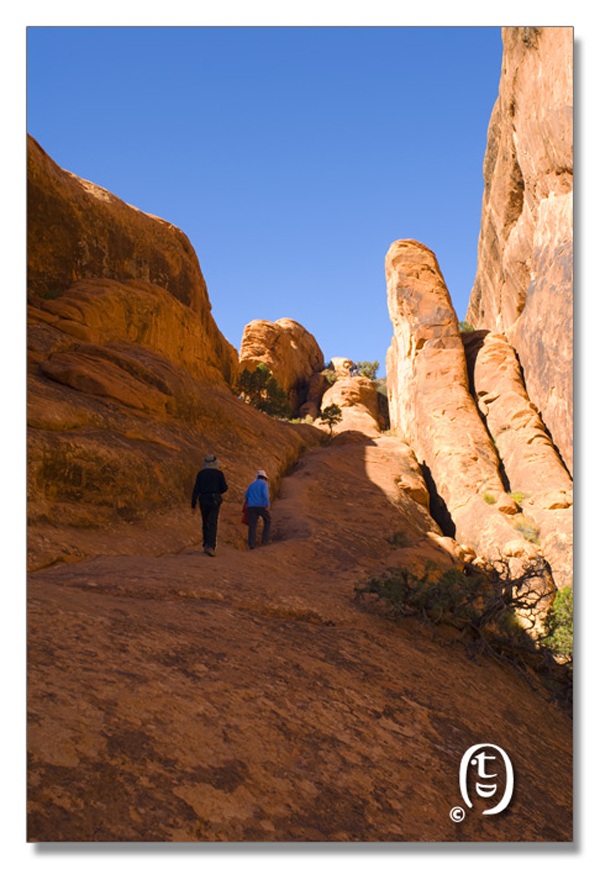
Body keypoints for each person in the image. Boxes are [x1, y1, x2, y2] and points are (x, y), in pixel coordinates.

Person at [191, 454, 228, 556]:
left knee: (205, 521)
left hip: (203, 499)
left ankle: (206, 544)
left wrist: (193, 505)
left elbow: (196, 489)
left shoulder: (201, 474)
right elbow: (224, 488)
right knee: (213, 522)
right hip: (215, 499)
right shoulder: (219, 473)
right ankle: (211, 546)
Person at [244, 470, 271, 550]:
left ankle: (251, 544)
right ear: (264, 478)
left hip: (251, 507)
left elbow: (246, 495)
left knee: (252, 525)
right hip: (261, 506)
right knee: (267, 520)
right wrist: (267, 504)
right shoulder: (264, 484)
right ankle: (265, 540)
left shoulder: (251, 484)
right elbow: (265, 495)